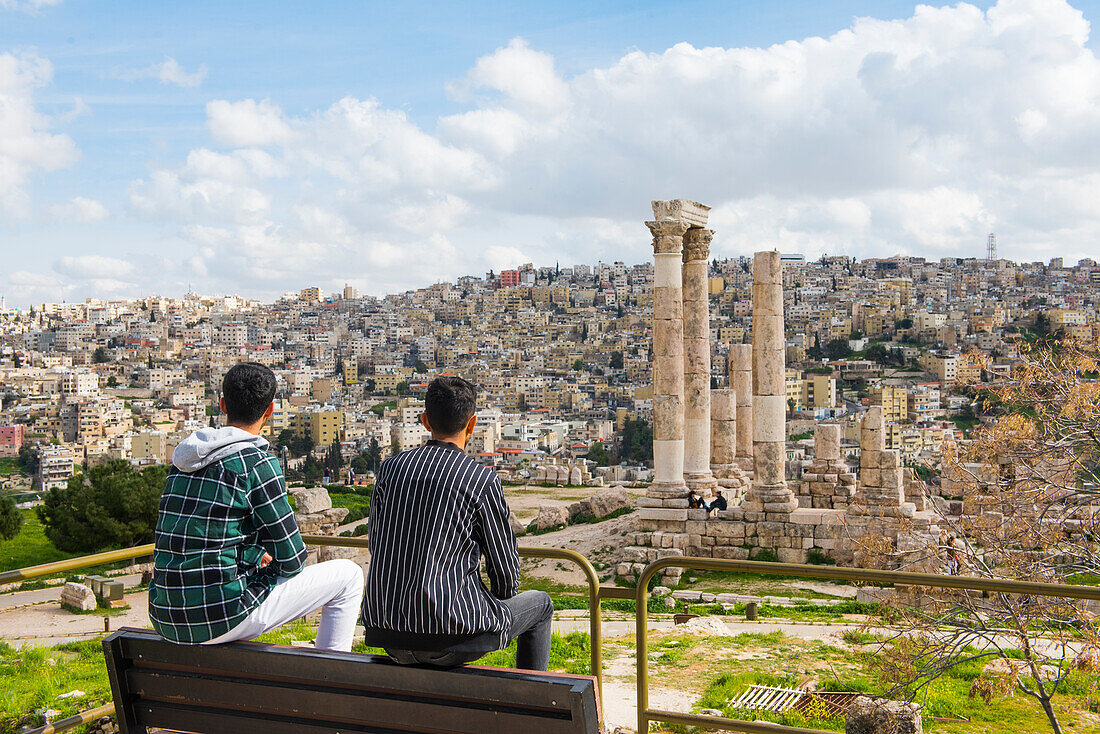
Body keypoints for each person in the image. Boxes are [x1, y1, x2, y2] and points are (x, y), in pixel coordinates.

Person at [148, 362, 364, 651]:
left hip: (164, 614)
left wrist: (249, 554)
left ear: (223, 404)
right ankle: (332, 680)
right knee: (348, 576)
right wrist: (262, 567)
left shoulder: (182, 462)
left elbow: (197, 538)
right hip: (221, 616)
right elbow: (293, 558)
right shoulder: (257, 463)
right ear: (270, 410)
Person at [362, 376, 554, 671]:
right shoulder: (480, 479)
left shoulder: (390, 470)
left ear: (425, 421)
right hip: (452, 636)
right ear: (472, 424)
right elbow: (504, 569)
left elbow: (377, 543)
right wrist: (496, 603)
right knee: (541, 605)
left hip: (387, 633)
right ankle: (531, 703)